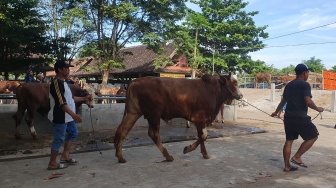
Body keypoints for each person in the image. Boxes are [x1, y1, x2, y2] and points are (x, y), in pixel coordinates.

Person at [271, 63, 324, 172]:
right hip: (300, 116)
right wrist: (318, 108)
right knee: (313, 136)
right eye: (308, 72)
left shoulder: (289, 85)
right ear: (304, 73)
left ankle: (287, 166)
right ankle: (297, 156)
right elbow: (308, 101)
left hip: (288, 117)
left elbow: (283, 101)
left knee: (289, 140)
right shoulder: (305, 85)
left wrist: (276, 112)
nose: (308, 74)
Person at [47, 60, 92, 170]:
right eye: (66, 68)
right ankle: (52, 163)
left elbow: (71, 99)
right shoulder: (57, 83)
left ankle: (65, 156)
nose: (68, 70)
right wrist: (74, 115)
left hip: (68, 116)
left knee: (73, 133)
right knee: (59, 139)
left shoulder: (65, 83)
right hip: (60, 116)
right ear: (59, 70)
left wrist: (84, 98)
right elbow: (62, 103)